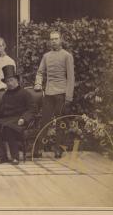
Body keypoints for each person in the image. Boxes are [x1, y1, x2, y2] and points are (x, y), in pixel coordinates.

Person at [34, 30, 75, 158]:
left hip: (61, 93)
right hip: (49, 92)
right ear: (49, 41)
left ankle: (58, 149)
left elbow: (71, 77)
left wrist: (69, 96)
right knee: (44, 121)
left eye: (56, 39)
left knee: (60, 122)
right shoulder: (46, 56)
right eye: (52, 39)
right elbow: (40, 72)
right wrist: (38, 84)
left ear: (61, 40)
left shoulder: (67, 55)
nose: (54, 41)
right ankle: (38, 149)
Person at [0, 65, 36, 165]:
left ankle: (15, 157)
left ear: (17, 80)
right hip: (7, 119)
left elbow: (32, 109)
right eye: (7, 81)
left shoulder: (25, 93)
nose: (9, 83)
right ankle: (1, 155)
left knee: (8, 128)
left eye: (11, 80)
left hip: (19, 120)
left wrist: (24, 119)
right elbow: (2, 110)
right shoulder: (6, 95)